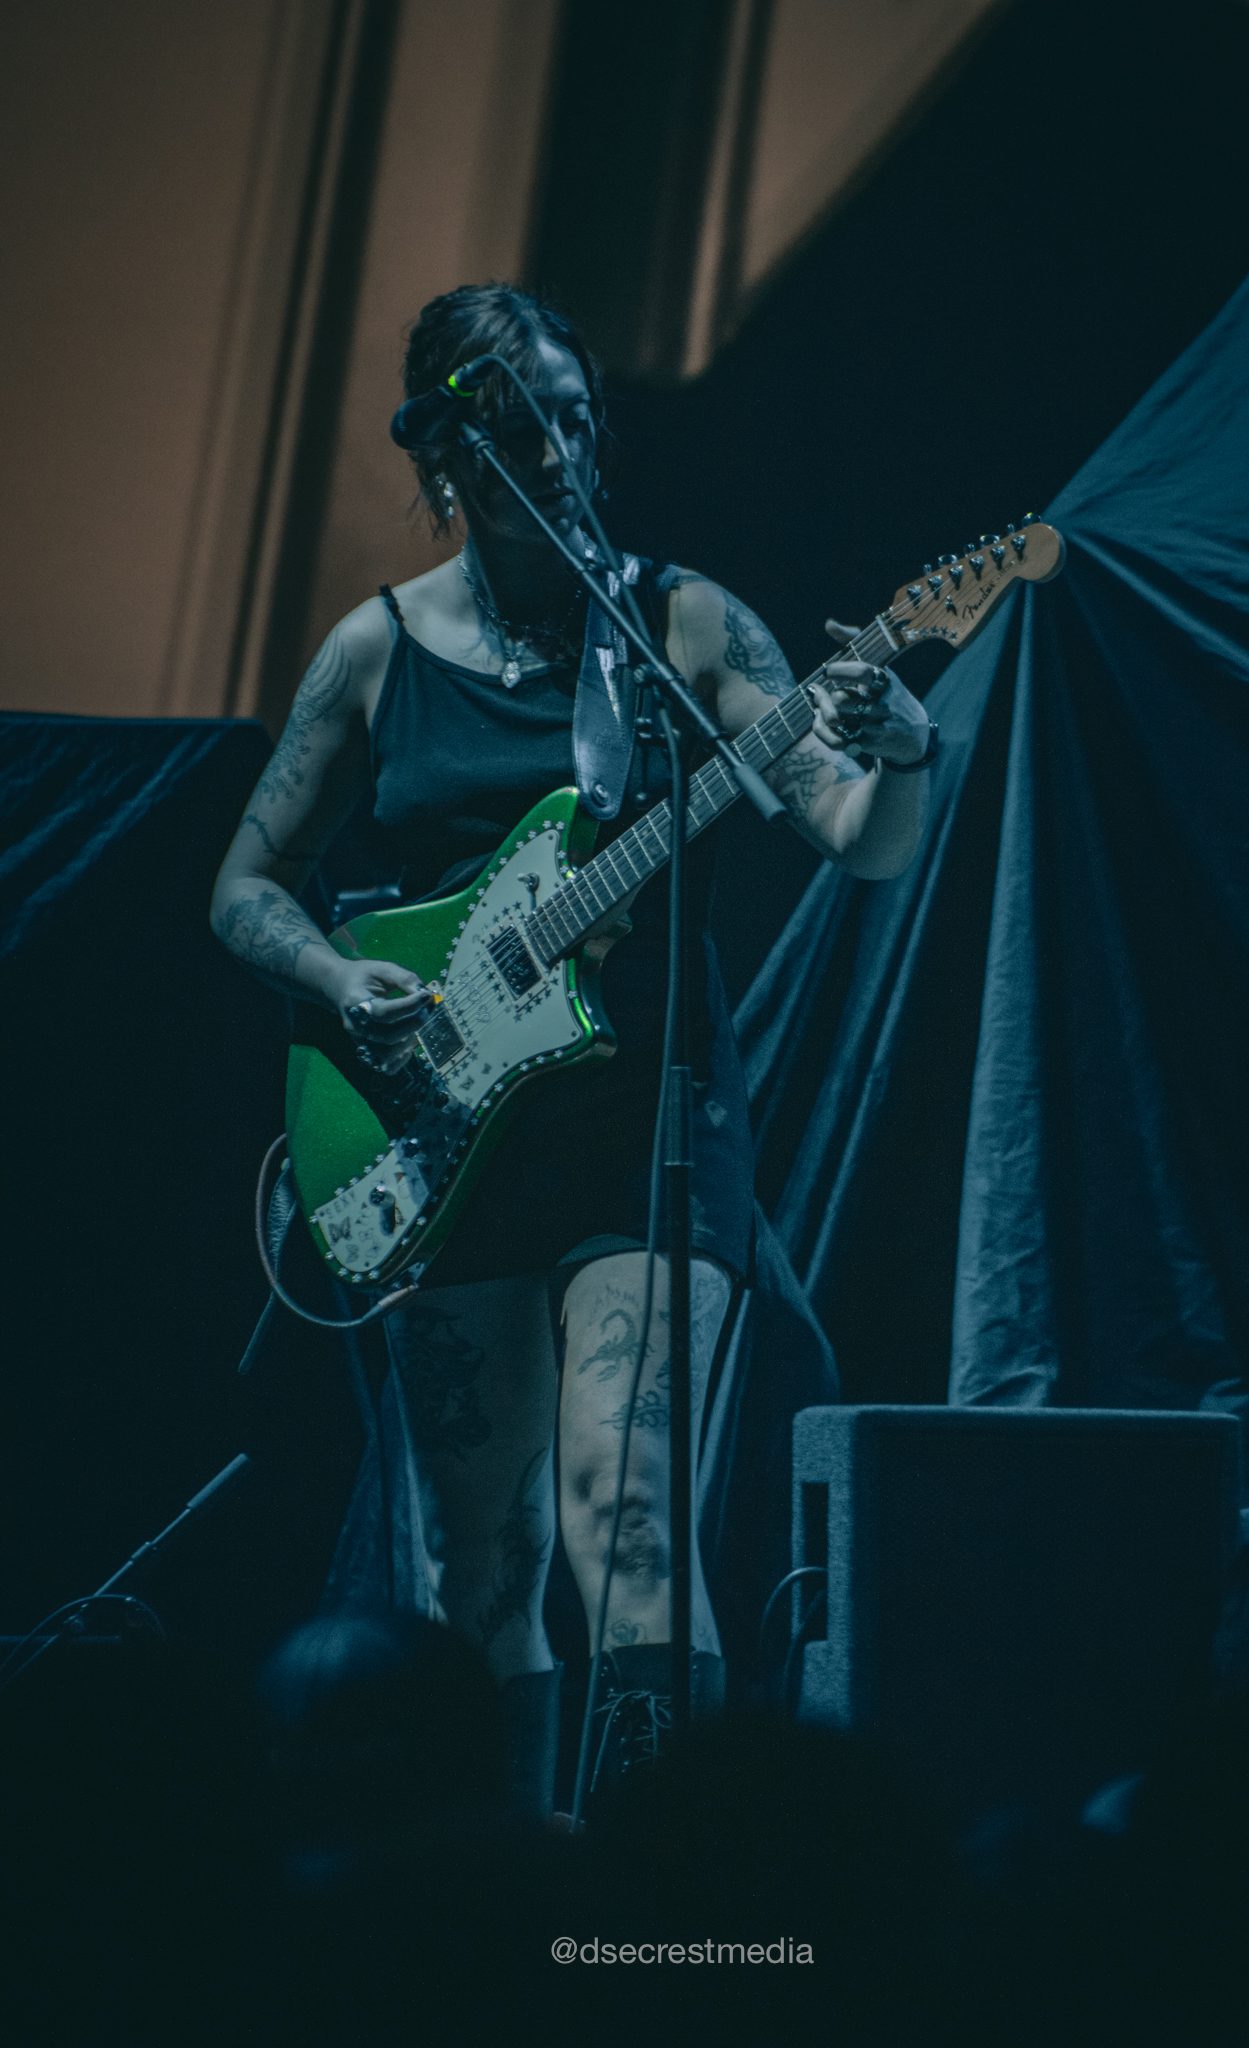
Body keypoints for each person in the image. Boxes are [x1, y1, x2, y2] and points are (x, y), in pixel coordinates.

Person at [211, 284, 934, 1814]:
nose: (565, 446)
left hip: (641, 1118)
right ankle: (505, 1904)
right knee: (476, 1561)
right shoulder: (375, 651)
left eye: (578, 413)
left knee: (628, 1513)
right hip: (436, 1126)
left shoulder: (678, 625)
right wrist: (344, 983)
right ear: (452, 450)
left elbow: (858, 844)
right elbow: (242, 886)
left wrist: (903, 755)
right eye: (527, 418)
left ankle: (666, 1904)